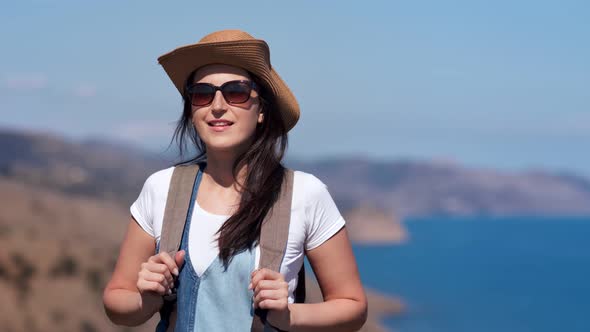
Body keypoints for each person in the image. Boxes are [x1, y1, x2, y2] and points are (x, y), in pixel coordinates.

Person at [103, 29, 367, 331]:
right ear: (191, 110)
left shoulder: (305, 194)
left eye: (236, 92)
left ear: (262, 111)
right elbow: (116, 302)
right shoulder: (161, 189)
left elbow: (353, 307)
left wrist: (289, 316)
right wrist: (148, 299)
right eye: (202, 94)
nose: (217, 106)